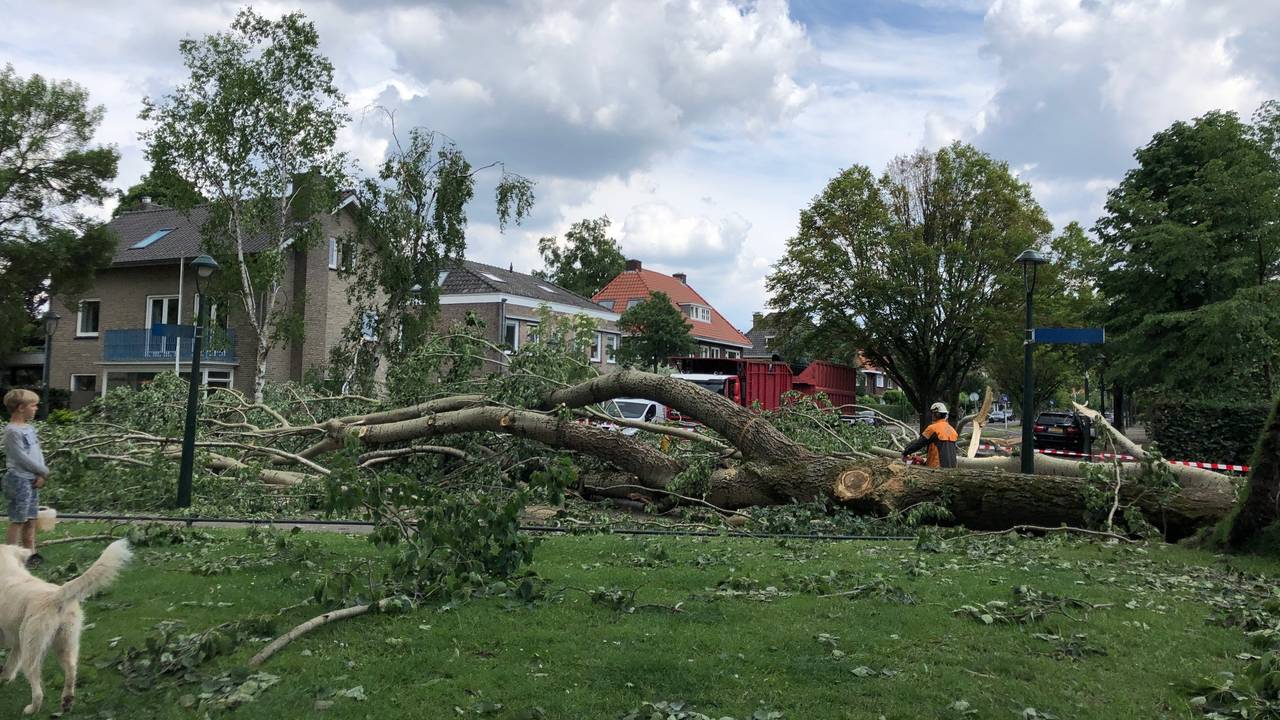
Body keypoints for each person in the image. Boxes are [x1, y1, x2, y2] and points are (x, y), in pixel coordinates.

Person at [4, 389, 49, 565]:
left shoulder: (29, 428)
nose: (36, 408)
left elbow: (36, 452)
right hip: (19, 479)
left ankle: (31, 556)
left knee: (31, 519)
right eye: (33, 405)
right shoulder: (12, 431)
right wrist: (43, 471)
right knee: (18, 520)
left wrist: (40, 473)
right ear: (21, 408)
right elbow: (20, 457)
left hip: (33, 478)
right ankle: (9, 559)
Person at [902, 401, 959, 469]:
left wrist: (906, 452)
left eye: (933, 413)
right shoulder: (952, 430)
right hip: (952, 467)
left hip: (937, 467)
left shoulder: (933, 428)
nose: (932, 415)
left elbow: (919, 443)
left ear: (937, 414)